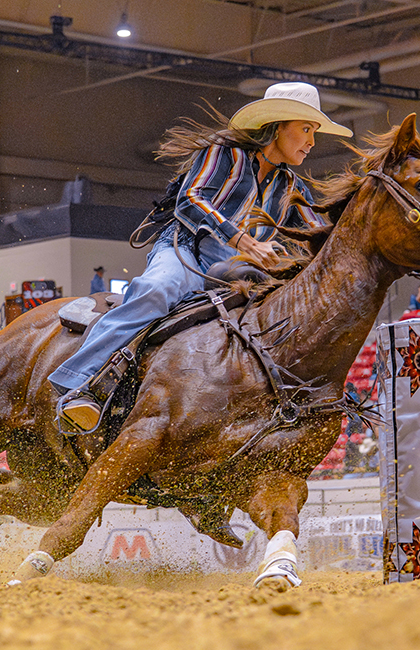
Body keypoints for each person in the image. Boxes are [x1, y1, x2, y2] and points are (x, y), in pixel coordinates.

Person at [50, 82, 352, 431]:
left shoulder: (292, 188)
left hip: (241, 272)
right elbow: (190, 201)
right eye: (306, 129)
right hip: (188, 251)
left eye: (313, 132)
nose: (313, 142)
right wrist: (245, 242)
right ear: (278, 126)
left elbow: (321, 239)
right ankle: (78, 383)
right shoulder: (225, 152)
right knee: (158, 289)